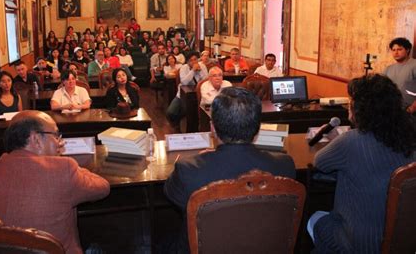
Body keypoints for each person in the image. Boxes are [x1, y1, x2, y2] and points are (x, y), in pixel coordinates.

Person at [164, 87, 296, 253]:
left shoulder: (188, 169)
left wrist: (201, 159)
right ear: (257, 130)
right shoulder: (285, 165)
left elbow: (170, 194)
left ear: (213, 129)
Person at [0, 110, 110, 254]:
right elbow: (103, 187)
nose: (60, 142)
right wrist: (72, 167)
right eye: (56, 135)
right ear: (36, 139)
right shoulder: (63, 169)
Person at [308, 74, 416, 253]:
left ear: (360, 108)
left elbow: (320, 163)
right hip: (403, 241)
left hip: (359, 243)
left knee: (315, 218)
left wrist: (338, 141)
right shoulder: (409, 138)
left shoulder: (350, 141)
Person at [166, 52, 208, 125]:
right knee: (170, 113)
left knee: (193, 112)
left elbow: (206, 80)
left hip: (199, 94)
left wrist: (200, 71)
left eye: (195, 59)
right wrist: (192, 71)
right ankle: (179, 121)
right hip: (182, 95)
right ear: (187, 62)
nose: (194, 62)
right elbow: (184, 82)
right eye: (191, 60)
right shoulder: (183, 68)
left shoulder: (202, 66)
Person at [383, 37, 416, 114]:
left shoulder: (414, 65)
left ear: (407, 50)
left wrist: (413, 108)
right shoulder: (388, 69)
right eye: (393, 50)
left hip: (410, 112)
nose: (396, 52)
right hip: (392, 111)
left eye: (399, 49)